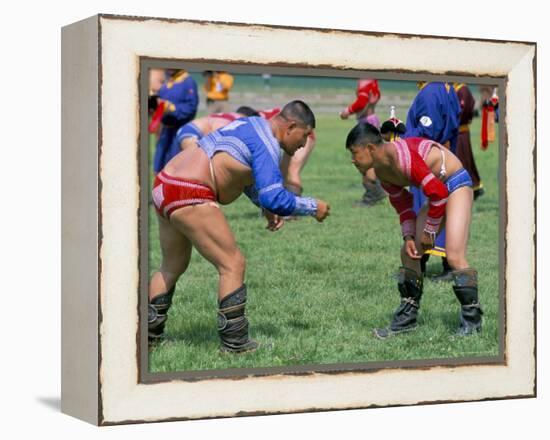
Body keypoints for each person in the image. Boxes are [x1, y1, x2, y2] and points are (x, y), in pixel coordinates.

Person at [148, 100, 331, 353]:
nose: (303, 144)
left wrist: (264, 208)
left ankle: (148, 337)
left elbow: (240, 171)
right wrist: (313, 207)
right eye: (304, 135)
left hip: (164, 183)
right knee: (232, 264)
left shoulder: (250, 123)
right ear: (291, 126)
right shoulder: (267, 145)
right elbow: (274, 197)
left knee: (171, 266)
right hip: (190, 190)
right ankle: (235, 343)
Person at [345, 123, 483, 338]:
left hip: (455, 184)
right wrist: (409, 236)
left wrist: (429, 231)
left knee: (454, 255)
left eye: (355, 153)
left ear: (370, 149)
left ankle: (472, 323)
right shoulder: (383, 171)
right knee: (409, 252)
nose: (352, 160)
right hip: (438, 193)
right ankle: (406, 320)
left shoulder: (404, 158)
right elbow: (404, 206)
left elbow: (437, 193)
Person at [404, 81, 461, 280]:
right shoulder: (447, 87)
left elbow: (426, 132)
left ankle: (421, 266)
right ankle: (434, 264)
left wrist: (400, 138)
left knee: (424, 210)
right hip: (443, 157)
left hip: (427, 160)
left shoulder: (430, 93)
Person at [340, 79, 385, 206]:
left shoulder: (366, 79)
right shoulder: (372, 80)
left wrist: (347, 112)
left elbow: (361, 102)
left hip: (367, 121)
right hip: (369, 119)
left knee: (368, 161)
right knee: (369, 160)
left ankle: (372, 196)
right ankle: (376, 192)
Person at [150, 69, 199, 174]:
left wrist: (172, 108)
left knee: (175, 168)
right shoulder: (167, 80)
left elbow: (191, 108)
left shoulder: (188, 82)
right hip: (164, 130)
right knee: (159, 167)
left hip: (179, 131)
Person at [453, 83, 484, 200]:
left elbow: (463, 111)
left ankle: (470, 188)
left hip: (461, 132)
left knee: (464, 161)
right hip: (457, 133)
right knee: (463, 160)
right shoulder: (455, 88)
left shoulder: (462, 90)